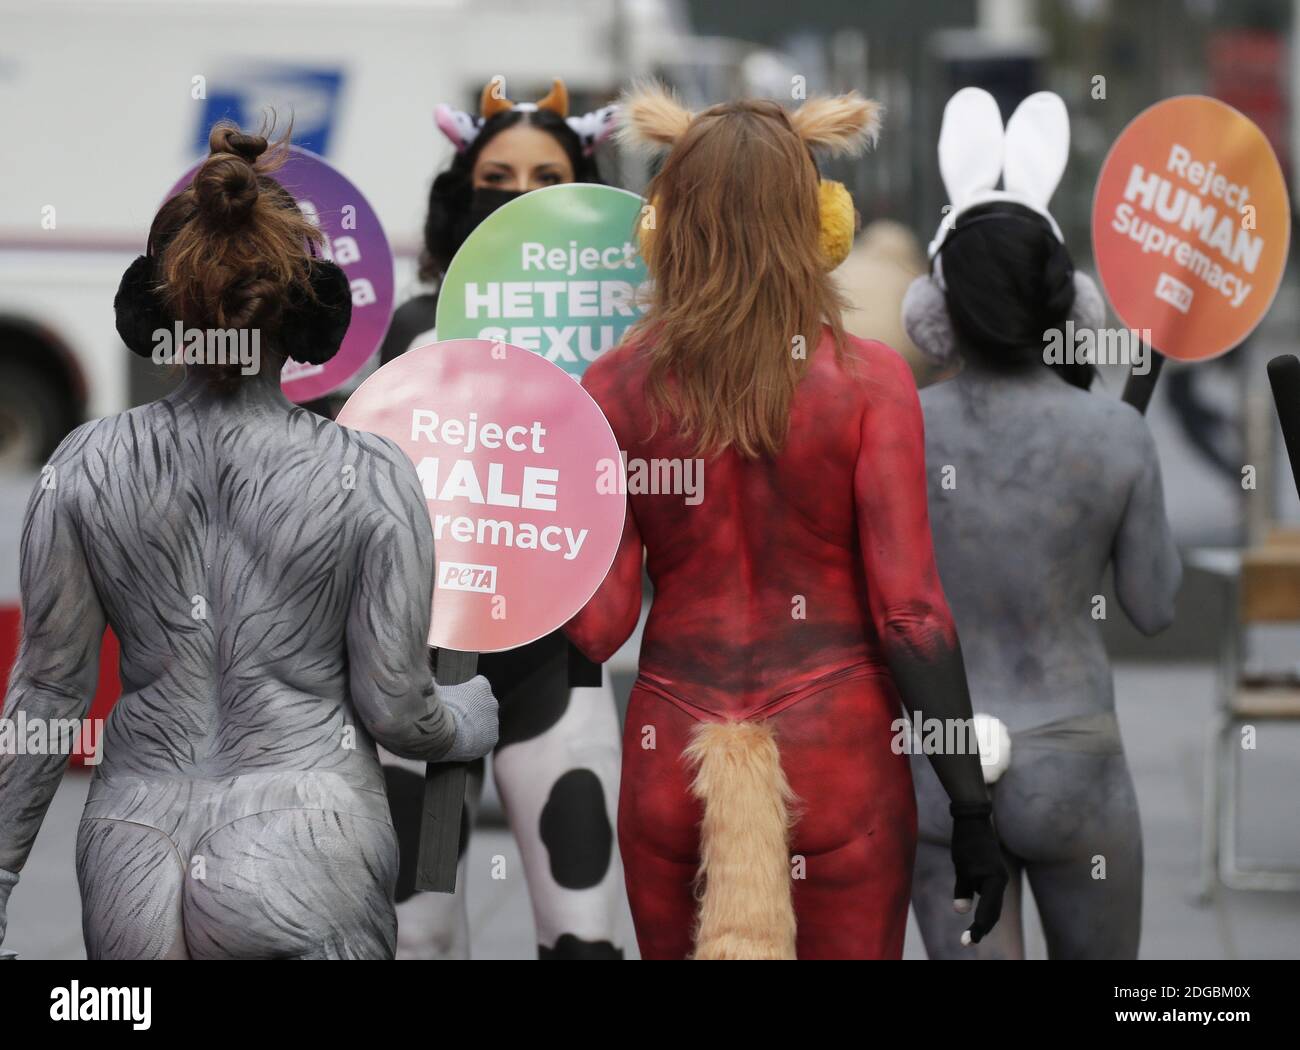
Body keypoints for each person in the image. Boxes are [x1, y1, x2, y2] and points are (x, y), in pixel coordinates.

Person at [0, 122, 498, 960]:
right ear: (304, 304)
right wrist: (464, 721)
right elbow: (395, 708)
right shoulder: (370, 474)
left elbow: (45, 697)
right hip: (307, 842)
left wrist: (3, 877)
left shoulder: (83, 464)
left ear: (155, 304)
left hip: (134, 850)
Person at [564, 83, 1006, 960]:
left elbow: (599, 623)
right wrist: (969, 807)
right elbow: (910, 618)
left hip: (671, 754)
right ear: (815, 223)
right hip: (836, 757)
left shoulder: (611, 387)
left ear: (666, 225)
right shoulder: (872, 382)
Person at [900, 88, 1182, 959]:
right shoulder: (1114, 433)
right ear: (1072, 303)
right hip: (1076, 760)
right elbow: (1155, 605)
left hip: (941, 770)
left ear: (935, 307)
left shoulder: (902, 426)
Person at [378, 79, 628, 960]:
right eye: (497, 175)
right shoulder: (415, 329)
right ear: (463, 187)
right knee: (418, 939)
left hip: (562, 676)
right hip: (424, 679)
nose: (519, 197)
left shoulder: (625, 346)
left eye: (546, 176)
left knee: (584, 942)